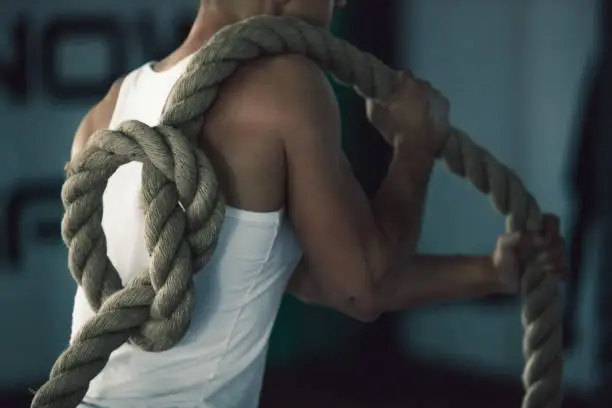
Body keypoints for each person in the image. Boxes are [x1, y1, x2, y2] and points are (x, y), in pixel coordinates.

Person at [69, 0, 569, 407]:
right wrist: (414, 149)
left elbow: (317, 278)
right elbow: (364, 287)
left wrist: (491, 272)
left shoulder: (106, 111)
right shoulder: (286, 84)